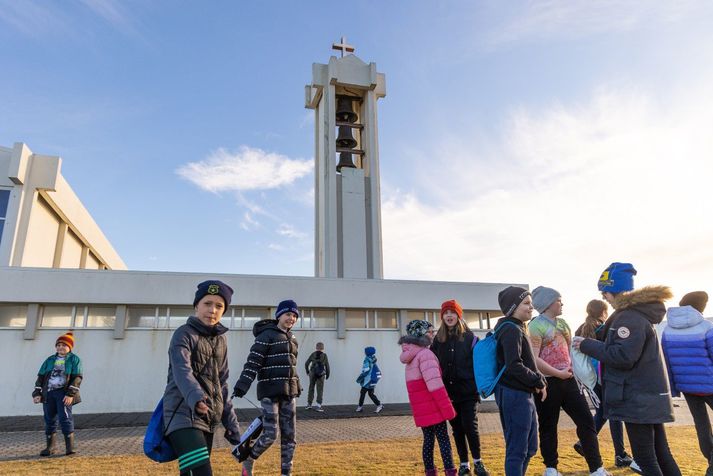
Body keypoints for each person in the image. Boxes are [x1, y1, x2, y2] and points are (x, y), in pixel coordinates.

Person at [574, 262, 681, 476]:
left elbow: (623, 357)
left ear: (614, 291)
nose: (603, 297)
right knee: (661, 453)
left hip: (636, 398)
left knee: (646, 459)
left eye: (605, 292)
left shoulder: (629, 318)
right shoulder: (636, 315)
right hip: (647, 396)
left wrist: (585, 344)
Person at [162, 280, 241, 476]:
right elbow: (182, 370)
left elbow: (222, 384)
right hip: (182, 415)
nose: (212, 310)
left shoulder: (221, 340)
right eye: (207, 303)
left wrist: (231, 423)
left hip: (208, 419)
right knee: (202, 473)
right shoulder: (183, 334)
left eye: (219, 306)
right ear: (196, 305)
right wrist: (196, 397)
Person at [528, 286, 608, 476]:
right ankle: (551, 469)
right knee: (548, 426)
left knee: (587, 422)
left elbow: (569, 351)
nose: (562, 303)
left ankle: (596, 468)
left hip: (570, 382)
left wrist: (571, 370)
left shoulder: (563, 323)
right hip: (547, 384)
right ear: (548, 304)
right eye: (558, 300)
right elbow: (534, 359)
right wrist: (558, 373)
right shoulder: (535, 326)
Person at [233, 299, 301, 476]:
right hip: (269, 393)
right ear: (279, 315)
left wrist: (297, 385)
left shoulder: (293, 339)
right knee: (271, 434)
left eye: (294, 316)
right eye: (288, 314)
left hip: (289, 393)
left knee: (290, 438)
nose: (291, 318)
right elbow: (253, 362)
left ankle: (287, 473)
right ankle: (249, 458)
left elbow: (292, 366)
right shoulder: (266, 335)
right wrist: (242, 385)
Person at [574, 299, 638, 472]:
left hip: (590, 377)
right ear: (603, 311)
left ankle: (618, 453)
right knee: (609, 412)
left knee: (606, 412)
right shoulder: (604, 328)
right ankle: (615, 452)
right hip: (606, 375)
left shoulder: (582, 328)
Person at [431, 299, 490, 476]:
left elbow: (480, 363)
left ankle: (478, 462)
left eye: (452, 312)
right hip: (448, 394)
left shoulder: (471, 338)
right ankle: (464, 464)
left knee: (470, 426)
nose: (449, 316)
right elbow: (434, 364)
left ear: (458, 315)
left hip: (468, 392)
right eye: (446, 313)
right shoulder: (438, 340)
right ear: (442, 317)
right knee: (457, 429)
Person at [494, 286, 547, 476]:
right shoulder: (510, 330)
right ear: (512, 307)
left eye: (531, 303)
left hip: (524, 393)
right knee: (517, 449)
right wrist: (538, 380)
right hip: (513, 394)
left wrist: (536, 382)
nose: (531, 307)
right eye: (526, 303)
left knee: (530, 447)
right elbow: (513, 365)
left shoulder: (517, 327)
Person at [662, 291, 713, 475]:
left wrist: (675, 388)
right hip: (710, 384)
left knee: (702, 427)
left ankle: (710, 462)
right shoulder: (706, 327)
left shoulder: (668, 330)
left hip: (688, 387)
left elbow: (666, 362)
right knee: (702, 426)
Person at [401, 319, 458, 476]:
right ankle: (450, 471)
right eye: (430, 331)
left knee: (428, 440)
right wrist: (448, 409)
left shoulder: (410, 357)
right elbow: (435, 385)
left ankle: (430, 471)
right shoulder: (426, 354)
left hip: (421, 408)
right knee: (443, 440)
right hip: (433, 406)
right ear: (421, 335)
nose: (433, 334)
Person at [32, 331, 83, 456]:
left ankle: (69, 448)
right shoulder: (50, 360)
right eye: (58, 345)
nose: (61, 347)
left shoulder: (74, 359)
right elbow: (41, 377)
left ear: (69, 347)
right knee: (49, 419)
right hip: (49, 394)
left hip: (63, 394)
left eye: (64, 345)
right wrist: (37, 393)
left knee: (65, 418)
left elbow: (77, 377)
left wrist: (70, 394)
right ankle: (50, 448)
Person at [356, 346, 384, 413]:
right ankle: (378, 405)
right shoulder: (373, 358)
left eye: (365, 351)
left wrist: (360, 378)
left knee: (363, 392)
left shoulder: (367, 359)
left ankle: (360, 407)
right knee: (370, 393)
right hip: (372, 379)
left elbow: (366, 370)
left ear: (367, 352)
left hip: (367, 380)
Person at [304, 342, 330, 412]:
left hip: (312, 373)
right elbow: (327, 366)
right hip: (321, 374)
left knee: (311, 388)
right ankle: (318, 406)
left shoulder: (313, 354)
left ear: (316, 347)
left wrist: (307, 371)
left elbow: (306, 363)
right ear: (323, 348)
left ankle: (309, 404)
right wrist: (327, 374)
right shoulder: (324, 355)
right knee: (320, 389)